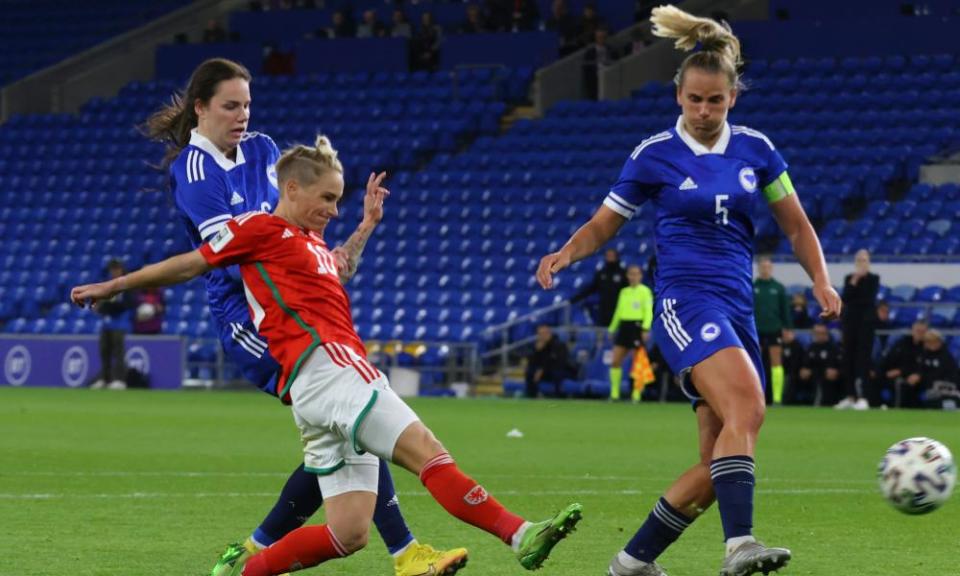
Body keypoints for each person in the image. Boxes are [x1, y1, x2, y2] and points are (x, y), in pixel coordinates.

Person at [72, 135, 582, 576]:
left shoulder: (308, 240)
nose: (334, 210)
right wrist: (116, 284)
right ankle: (520, 535)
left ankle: (250, 568)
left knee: (348, 533)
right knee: (426, 450)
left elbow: (336, 268)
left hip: (312, 391)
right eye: (328, 198)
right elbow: (190, 263)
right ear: (290, 189)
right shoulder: (259, 230)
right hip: (333, 368)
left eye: (339, 201)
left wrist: (366, 224)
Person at [535, 6, 841, 575]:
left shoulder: (757, 150)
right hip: (683, 303)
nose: (704, 111)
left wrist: (820, 278)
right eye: (694, 99)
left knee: (715, 464)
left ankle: (631, 563)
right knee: (749, 408)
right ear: (678, 96)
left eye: (715, 101)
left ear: (733, 99)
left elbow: (796, 224)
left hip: (737, 308)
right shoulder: (655, 154)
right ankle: (740, 546)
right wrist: (566, 251)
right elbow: (607, 222)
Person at [142, 58, 463, 576]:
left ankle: (252, 552)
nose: (242, 114)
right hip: (250, 323)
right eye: (230, 105)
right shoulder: (196, 172)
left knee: (346, 427)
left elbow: (299, 245)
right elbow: (232, 255)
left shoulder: (266, 150)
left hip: (292, 308)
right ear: (201, 108)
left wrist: (359, 233)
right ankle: (405, 553)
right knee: (354, 417)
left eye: (247, 103)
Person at [837, 248, 878, 410]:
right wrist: (854, 282)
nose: (861, 263)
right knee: (848, 359)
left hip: (866, 324)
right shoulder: (849, 278)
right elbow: (845, 298)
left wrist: (855, 291)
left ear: (869, 262)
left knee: (862, 360)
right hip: (850, 323)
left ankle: (863, 397)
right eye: (859, 260)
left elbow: (867, 299)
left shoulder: (874, 279)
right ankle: (850, 396)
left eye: (864, 260)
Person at [607, 265, 653, 401]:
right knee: (615, 360)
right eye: (631, 274)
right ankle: (615, 393)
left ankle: (636, 393)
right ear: (627, 276)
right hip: (624, 327)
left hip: (637, 326)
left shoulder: (645, 291)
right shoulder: (623, 292)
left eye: (636, 274)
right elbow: (618, 311)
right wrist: (612, 328)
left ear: (640, 276)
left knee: (638, 361)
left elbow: (648, 310)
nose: (633, 277)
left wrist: (645, 328)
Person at [752, 256, 792, 405]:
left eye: (768, 267)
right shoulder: (752, 286)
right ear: (758, 268)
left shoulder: (778, 287)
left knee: (776, 363)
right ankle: (756, 396)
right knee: (755, 364)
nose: (765, 269)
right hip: (755, 329)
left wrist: (788, 328)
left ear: (772, 268)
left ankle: (777, 397)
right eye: (763, 267)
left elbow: (785, 310)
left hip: (774, 328)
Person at [91, 259, 134, 390]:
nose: (113, 272)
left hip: (120, 323)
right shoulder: (108, 284)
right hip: (106, 323)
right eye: (112, 269)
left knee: (118, 351)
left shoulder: (127, 283)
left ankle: (119, 379)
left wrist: (105, 307)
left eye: (116, 269)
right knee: (104, 351)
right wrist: (100, 306)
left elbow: (126, 304)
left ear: (121, 269)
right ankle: (105, 378)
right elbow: (101, 302)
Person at [570, 247, 627, 327]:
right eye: (608, 256)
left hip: (619, 307)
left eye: (611, 256)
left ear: (616, 257)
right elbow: (592, 288)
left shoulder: (623, 273)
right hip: (604, 307)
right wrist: (575, 299)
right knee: (602, 331)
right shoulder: (601, 273)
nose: (609, 258)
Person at [880, 319, 927, 408]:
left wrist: (916, 374)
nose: (919, 334)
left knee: (900, 383)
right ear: (912, 331)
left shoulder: (927, 347)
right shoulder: (902, 344)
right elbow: (888, 360)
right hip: (898, 376)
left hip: (919, 378)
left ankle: (897, 410)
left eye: (922, 332)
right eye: (918, 331)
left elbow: (926, 367)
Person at [798, 323, 843, 406]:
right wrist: (803, 370)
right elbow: (805, 364)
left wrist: (837, 372)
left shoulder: (834, 348)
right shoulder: (810, 347)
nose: (819, 336)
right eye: (817, 333)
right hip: (813, 377)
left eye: (822, 333)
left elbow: (840, 365)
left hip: (828, 378)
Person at [524, 324, 574, 398]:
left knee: (557, 374)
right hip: (545, 372)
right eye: (540, 334)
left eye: (544, 333)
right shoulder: (539, 346)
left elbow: (558, 362)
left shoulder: (559, 344)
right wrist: (537, 351)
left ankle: (559, 396)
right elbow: (532, 363)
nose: (542, 336)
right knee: (530, 372)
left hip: (561, 370)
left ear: (549, 333)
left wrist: (542, 370)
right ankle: (532, 395)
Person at [915, 329, 959, 409]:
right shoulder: (923, 355)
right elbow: (919, 370)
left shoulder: (946, 356)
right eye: (928, 341)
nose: (932, 344)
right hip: (925, 386)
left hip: (945, 387)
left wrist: (922, 377)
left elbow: (946, 375)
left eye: (934, 341)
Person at [779, 329, 804, 404]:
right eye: (784, 334)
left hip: (793, 373)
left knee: (789, 379)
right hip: (781, 372)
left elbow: (798, 362)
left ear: (793, 334)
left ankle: (784, 402)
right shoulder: (779, 346)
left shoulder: (797, 346)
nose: (785, 336)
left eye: (787, 334)